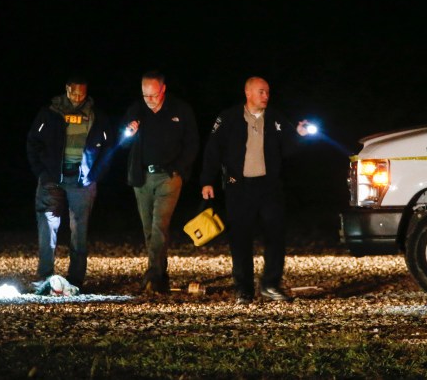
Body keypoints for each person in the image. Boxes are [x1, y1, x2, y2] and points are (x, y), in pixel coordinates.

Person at [200, 76, 308, 304]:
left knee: (275, 235)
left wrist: (299, 136)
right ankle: (244, 288)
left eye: (268, 92)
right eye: (261, 92)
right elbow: (213, 150)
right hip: (239, 188)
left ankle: (270, 284)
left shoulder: (276, 118)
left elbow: (289, 151)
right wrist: (207, 181)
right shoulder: (229, 117)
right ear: (248, 93)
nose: (266, 96)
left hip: (269, 187)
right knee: (240, 238)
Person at [26, 76, 113, 292]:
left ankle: (76, 280)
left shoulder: (96, 116)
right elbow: (32, 142)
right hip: (52, 180)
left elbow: (108, 148)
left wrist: (96, 175)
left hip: (82, 181)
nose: (77, 98)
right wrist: (42, 173)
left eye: (81, 94)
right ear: (66, 89)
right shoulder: (50, 113)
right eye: (74, 93)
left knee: (79, 231)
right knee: (47, 227)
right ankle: (45, 276)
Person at [123, 70, 199, 295]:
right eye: (146, 95)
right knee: (149, 229)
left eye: (154, 95)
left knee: (159, 225)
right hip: (142, 177)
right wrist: (128, 131)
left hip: (169, 177)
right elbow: (123, 141)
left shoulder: (180, 110)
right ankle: (160, 275)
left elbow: (192, 142)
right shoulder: (136, 110)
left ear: (163, 89)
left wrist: (179, 169)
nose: (150, 100)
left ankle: (153, 274)